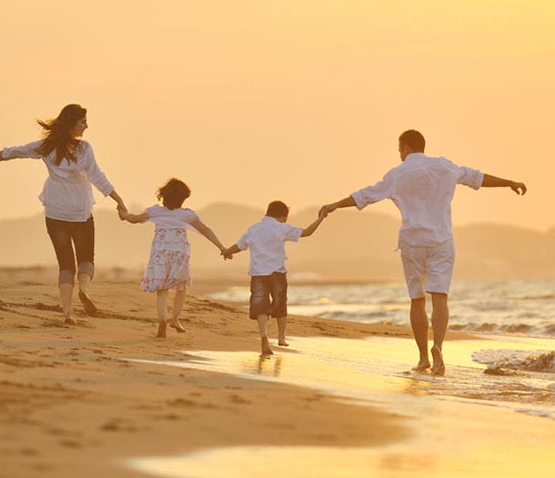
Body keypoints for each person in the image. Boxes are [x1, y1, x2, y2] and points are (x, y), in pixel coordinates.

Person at [319, 130, 527, 375]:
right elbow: (478, 178)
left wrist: (335, 204)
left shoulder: (397, 174)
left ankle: (422, 358)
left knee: (417, 300)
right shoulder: (445, 167)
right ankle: (438, 347)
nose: (399, 154)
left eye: (399, 150)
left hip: (412, 242)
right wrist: (510, 183)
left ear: (406, 147)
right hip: (441, 240)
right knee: (440, 297)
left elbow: (365, 195)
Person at [0, 104, 127, 324]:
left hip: (55, 214)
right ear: (72, 123)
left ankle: (67, 313)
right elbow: (98, 177)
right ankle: (84, 289)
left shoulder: (46, 147)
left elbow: (12, 152)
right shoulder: (84, 149)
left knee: (65, 265)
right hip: (80, 213)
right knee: (86, 259)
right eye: (83, 121)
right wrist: (119, 200)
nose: (86, 125)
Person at [120, 178, 228, 337]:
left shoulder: (155, 211)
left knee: (162, 289)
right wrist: (221, 247)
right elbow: (205, 230)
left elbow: (134, 219)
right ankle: (175, 319)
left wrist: (123, 214)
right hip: (179, 254)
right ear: (183, 199)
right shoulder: (186, 215)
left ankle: (162, 321)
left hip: (160, 254)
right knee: (181, 287)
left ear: (163, 195)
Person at [222, 201, 327, 355]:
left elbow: (239, 246)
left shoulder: (253, 228)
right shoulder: (281, 227)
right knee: (280, 304)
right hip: (277, 272)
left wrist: (226, 252)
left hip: (258, 273)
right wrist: (321, 218)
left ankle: (264, 336)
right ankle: (281, 337)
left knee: (260, 307)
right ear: (282, 216)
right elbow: (307, 232)